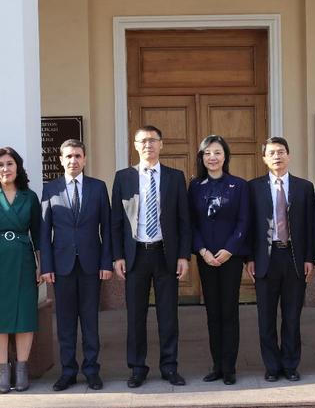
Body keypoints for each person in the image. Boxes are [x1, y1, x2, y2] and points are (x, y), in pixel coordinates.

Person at [112, 125, 192, 388]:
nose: (148, 145)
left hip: (165, 255)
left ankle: (169, 366)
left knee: (168, 316)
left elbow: (184, 219)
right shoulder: (123, 177)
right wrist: (117, 256)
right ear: (135, 145)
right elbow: (116, 221)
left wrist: (184, 255)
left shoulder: (175, 177)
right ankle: (137, 368)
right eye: (143, 141)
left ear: (161, 144)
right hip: (135, 255)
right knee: (135, 316)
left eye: (153, 140)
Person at [40, 139, 113, 392]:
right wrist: (46, 266)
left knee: (90, 321)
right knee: (66, 323)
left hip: (92, 265)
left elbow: (107, 228)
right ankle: (68, 372)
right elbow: (44, 232)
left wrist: (106, 262)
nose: (73, 161)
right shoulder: (50, 189)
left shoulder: (98, 187)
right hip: (62, 267)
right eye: (69, 156)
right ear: (61, 160)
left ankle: (92, 371)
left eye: (78, 156)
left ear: (85, 159)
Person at [247, 137, 315, 382]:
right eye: (272, 153)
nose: (277, 156)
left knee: (292, 316)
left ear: (289, 155)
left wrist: (309, 258)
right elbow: (249, 225)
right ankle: (272, 366)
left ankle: (290, 364)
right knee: (266, 318)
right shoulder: (253, 187)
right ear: (264, 158)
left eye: (281, 152)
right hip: (265, 259)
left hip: (294, 258)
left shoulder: (304, 187)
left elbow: (311, 225)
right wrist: (249, 258)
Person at [0, 147, 42, 393]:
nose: (5, 169)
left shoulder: (29, 197)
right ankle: (3, 370)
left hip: (23, 260)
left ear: (18, 167)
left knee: (25, 314)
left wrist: (41, 265)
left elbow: (38, 233)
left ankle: (22, 369)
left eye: (10, 164)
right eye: (0, 165)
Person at [188, 135, 250, 385]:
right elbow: (191, 222)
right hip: (206, 258)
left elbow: (244, 221)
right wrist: (202, 250)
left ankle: (229, 367)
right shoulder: (195, 186)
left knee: (229, 311)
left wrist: (229, 250)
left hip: (230, 258)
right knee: (212, 312)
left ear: (225, 156)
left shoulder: (239, 185)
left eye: (217, 152)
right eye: (207, 153)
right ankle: (217, 365)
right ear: (201, 158)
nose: (212, 157)